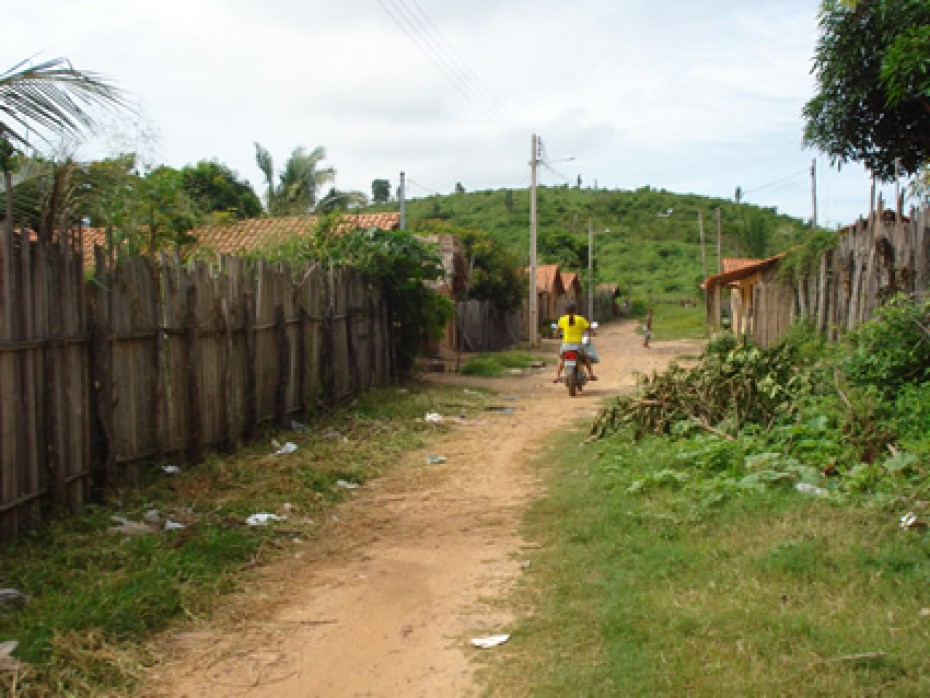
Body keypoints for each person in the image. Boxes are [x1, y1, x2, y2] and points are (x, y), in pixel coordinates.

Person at [553, 303, 597, 383]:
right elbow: (589, 329)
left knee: (562, 359)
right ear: (576, 310)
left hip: (566, 346)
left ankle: (557, 376)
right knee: (586, 357)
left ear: (566, 311)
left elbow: (557, 332)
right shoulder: (581, 319)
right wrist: (594, 333)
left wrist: (555, 335)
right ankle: (591, 374)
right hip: (578, 346)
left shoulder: (562, 319)